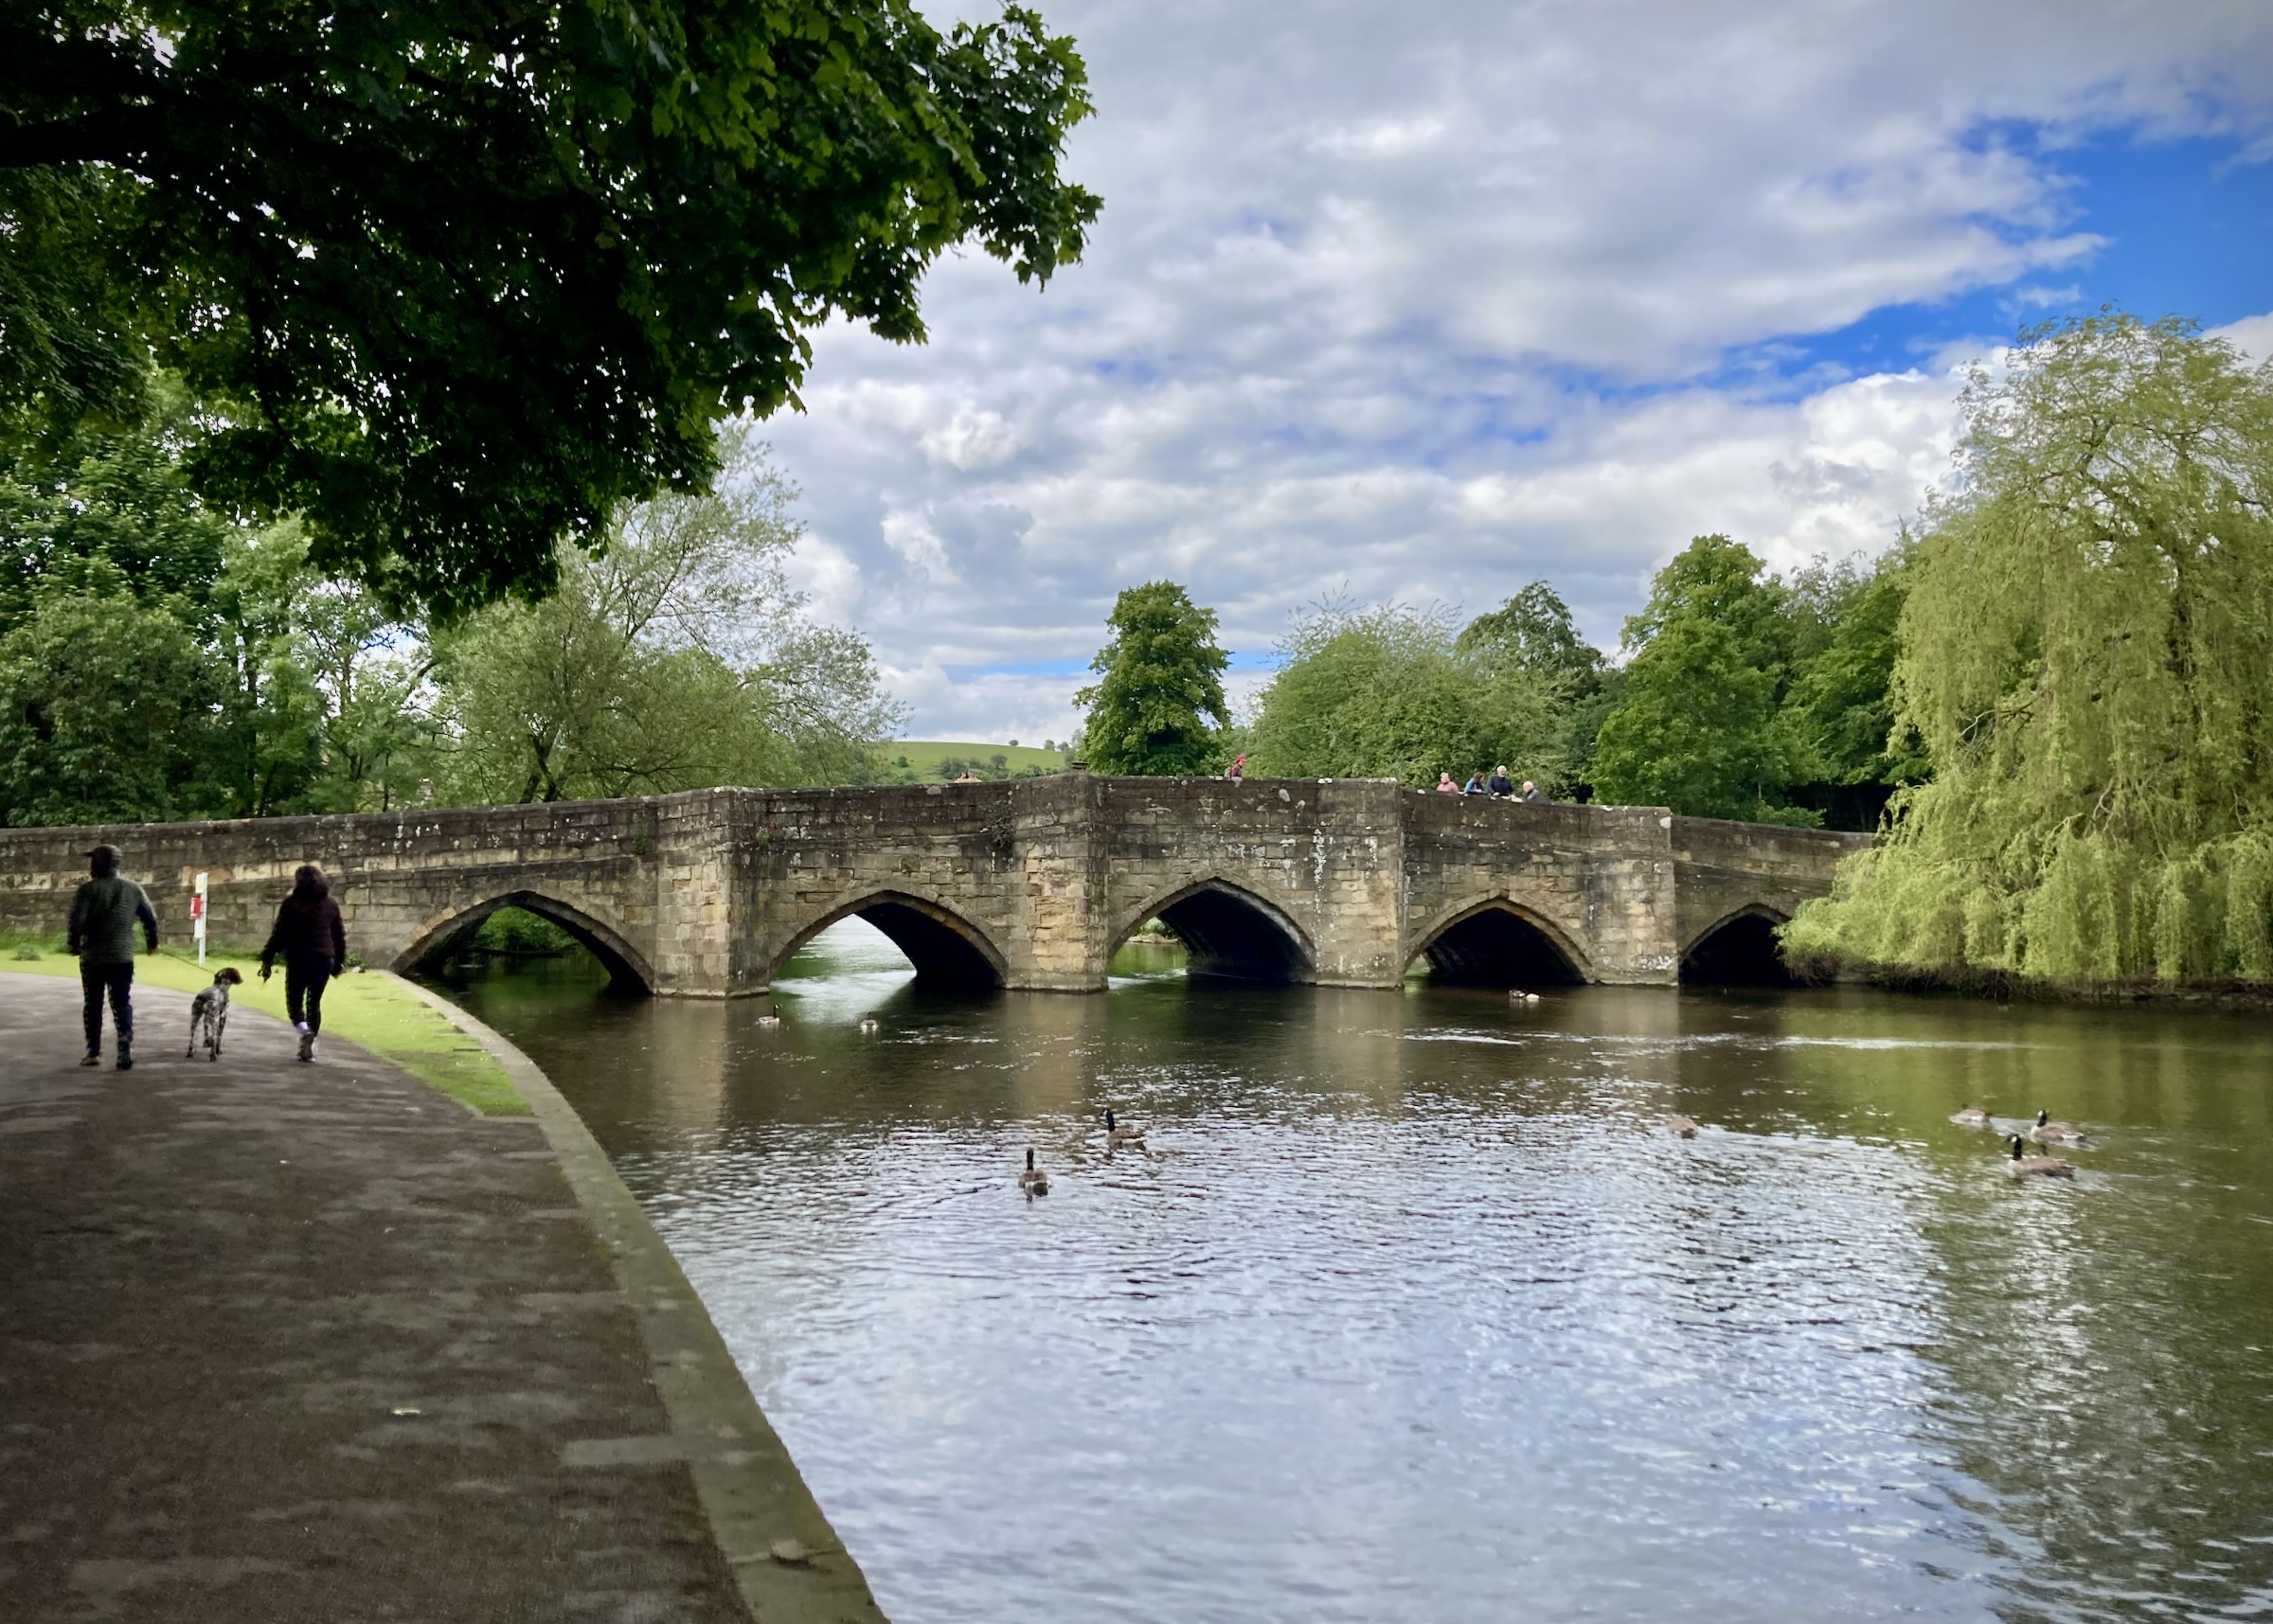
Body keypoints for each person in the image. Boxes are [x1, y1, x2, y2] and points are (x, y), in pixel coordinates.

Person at [67, 844, 159, 1069]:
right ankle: (124, 1046)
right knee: (121, 1002)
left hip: (93, 957)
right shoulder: (133, 889)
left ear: (98, 864)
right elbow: (150, 919)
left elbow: (77, 920)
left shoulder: (88, 890)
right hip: (122, 956)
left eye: (92, 862)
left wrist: (74, 943)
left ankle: (93, 1052)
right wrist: (152, 944)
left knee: (93, 1004)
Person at [260, 865, 347, 1062]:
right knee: (313, 1003)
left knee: (294, 1004)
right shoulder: (330, 904)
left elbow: (279, 932)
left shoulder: (291, 903)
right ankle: (311, 1043)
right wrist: (339, 961)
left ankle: (304, 1031)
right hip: (324, 959)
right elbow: (339, 936)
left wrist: (268, 956)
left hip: (299, 957)